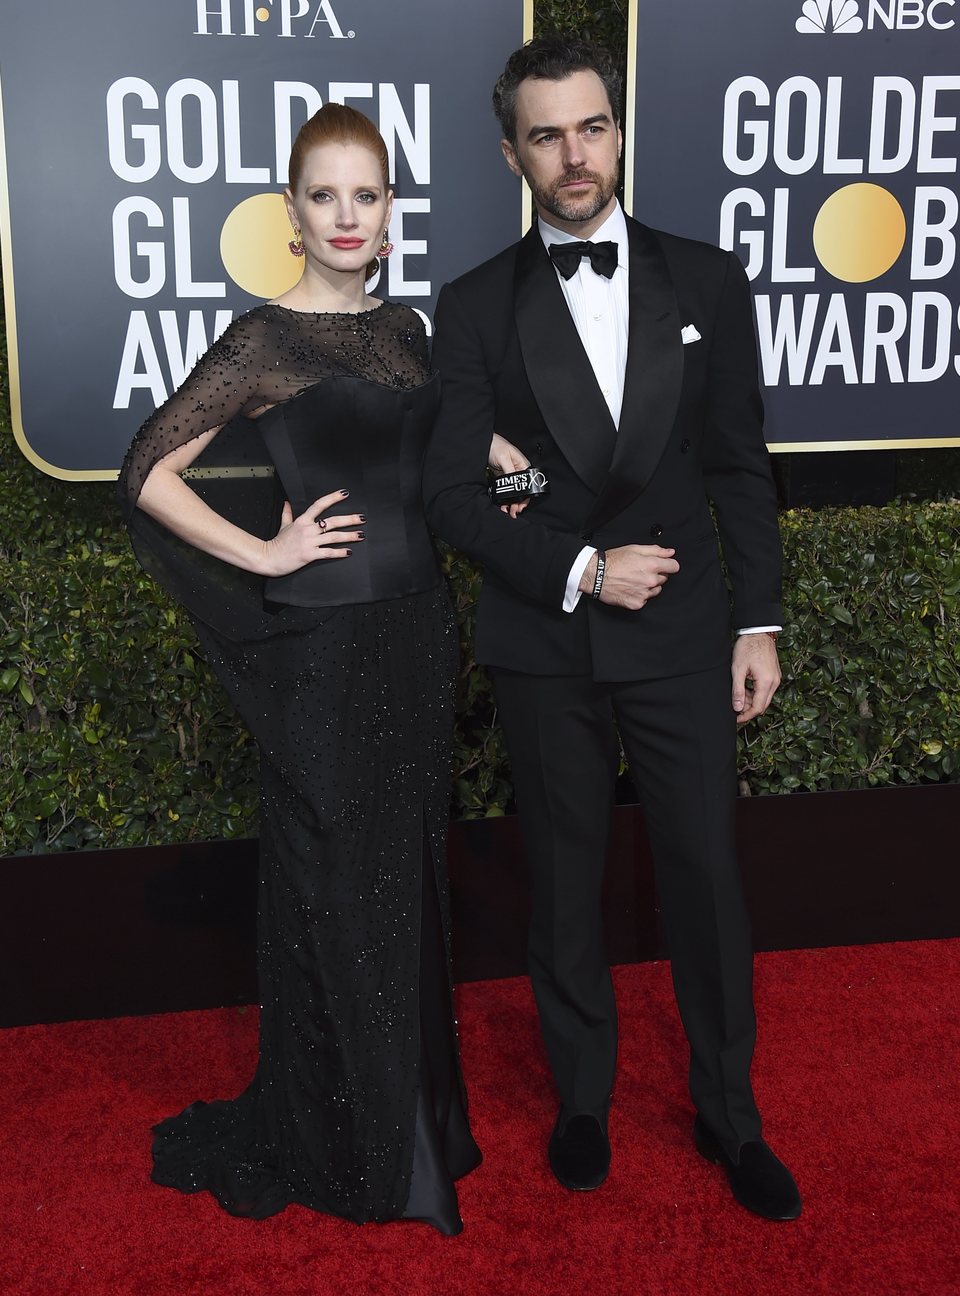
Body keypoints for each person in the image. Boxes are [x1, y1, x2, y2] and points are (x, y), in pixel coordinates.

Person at [422, 36, 802, 1221]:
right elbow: (448, 499)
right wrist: (583, 567)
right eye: (546, 135)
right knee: (567, 886)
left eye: (591, 127)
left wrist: (761, 618)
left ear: (619, 132)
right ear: (511, 152)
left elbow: (741, 465)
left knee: (705, 881)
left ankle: (729, 1114)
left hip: (689, 635)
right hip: (550, 640)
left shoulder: (706, 278)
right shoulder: (475, 305)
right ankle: (583, 1098)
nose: (573, 154)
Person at [118, 104, 483, 1235]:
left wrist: (508, 474)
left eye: (365, 195)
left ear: (388, 211)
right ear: (291, 212)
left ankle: (412, 1121)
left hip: (419, 637)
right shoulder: (264, 342)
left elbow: (430, 465)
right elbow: (146, 472)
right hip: (323, 654)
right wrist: (265, 550)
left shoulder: (414, 329)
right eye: (323, 195)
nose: (345, 216)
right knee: (335, 886)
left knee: (409, 880)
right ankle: (346, 1143)